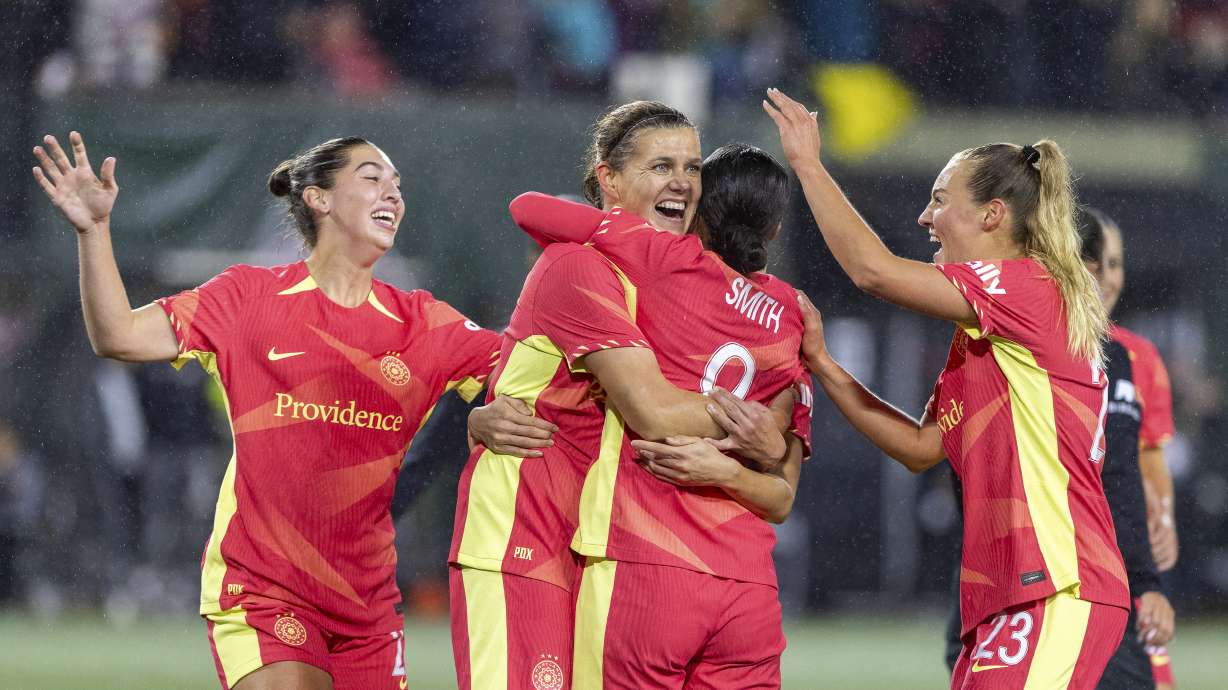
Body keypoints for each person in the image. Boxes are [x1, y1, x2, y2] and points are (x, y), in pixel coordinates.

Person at [30, 132, 536, 690]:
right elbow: (119, 335)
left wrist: (481, 413)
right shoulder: (246, 297)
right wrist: (94, 231)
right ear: (318, 199)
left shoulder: (425, 323)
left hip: (366, 605)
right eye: (372, 178)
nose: (392, 192)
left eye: (398, 185)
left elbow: (533, 376)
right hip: (263, 587)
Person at [763, 88, 1129, 689]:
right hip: (1007, 594)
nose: (924, 218)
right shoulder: (986, 337)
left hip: (1060, 581)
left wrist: (807, 164)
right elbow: (919, 448)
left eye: (939, 201)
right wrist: (824, 364)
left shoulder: (1026, 287)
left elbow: (872, 271)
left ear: (992, 215)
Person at [451, 103, 807, 690]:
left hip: (596, 545)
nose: (681, 182)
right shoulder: (578, 266)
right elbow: (655, 412)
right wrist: (763, 426)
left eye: (693, 168)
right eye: (660, 166)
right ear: (608, 179)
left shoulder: (673, 283)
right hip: (527, 537)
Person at [1080, 207, 1178, 690]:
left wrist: (1163, 515)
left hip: (1126, 554)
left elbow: (1147, 454)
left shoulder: (1136, 356)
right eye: (1099, 262)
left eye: (1116, 264)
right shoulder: (1042, 343)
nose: (1108, 277)